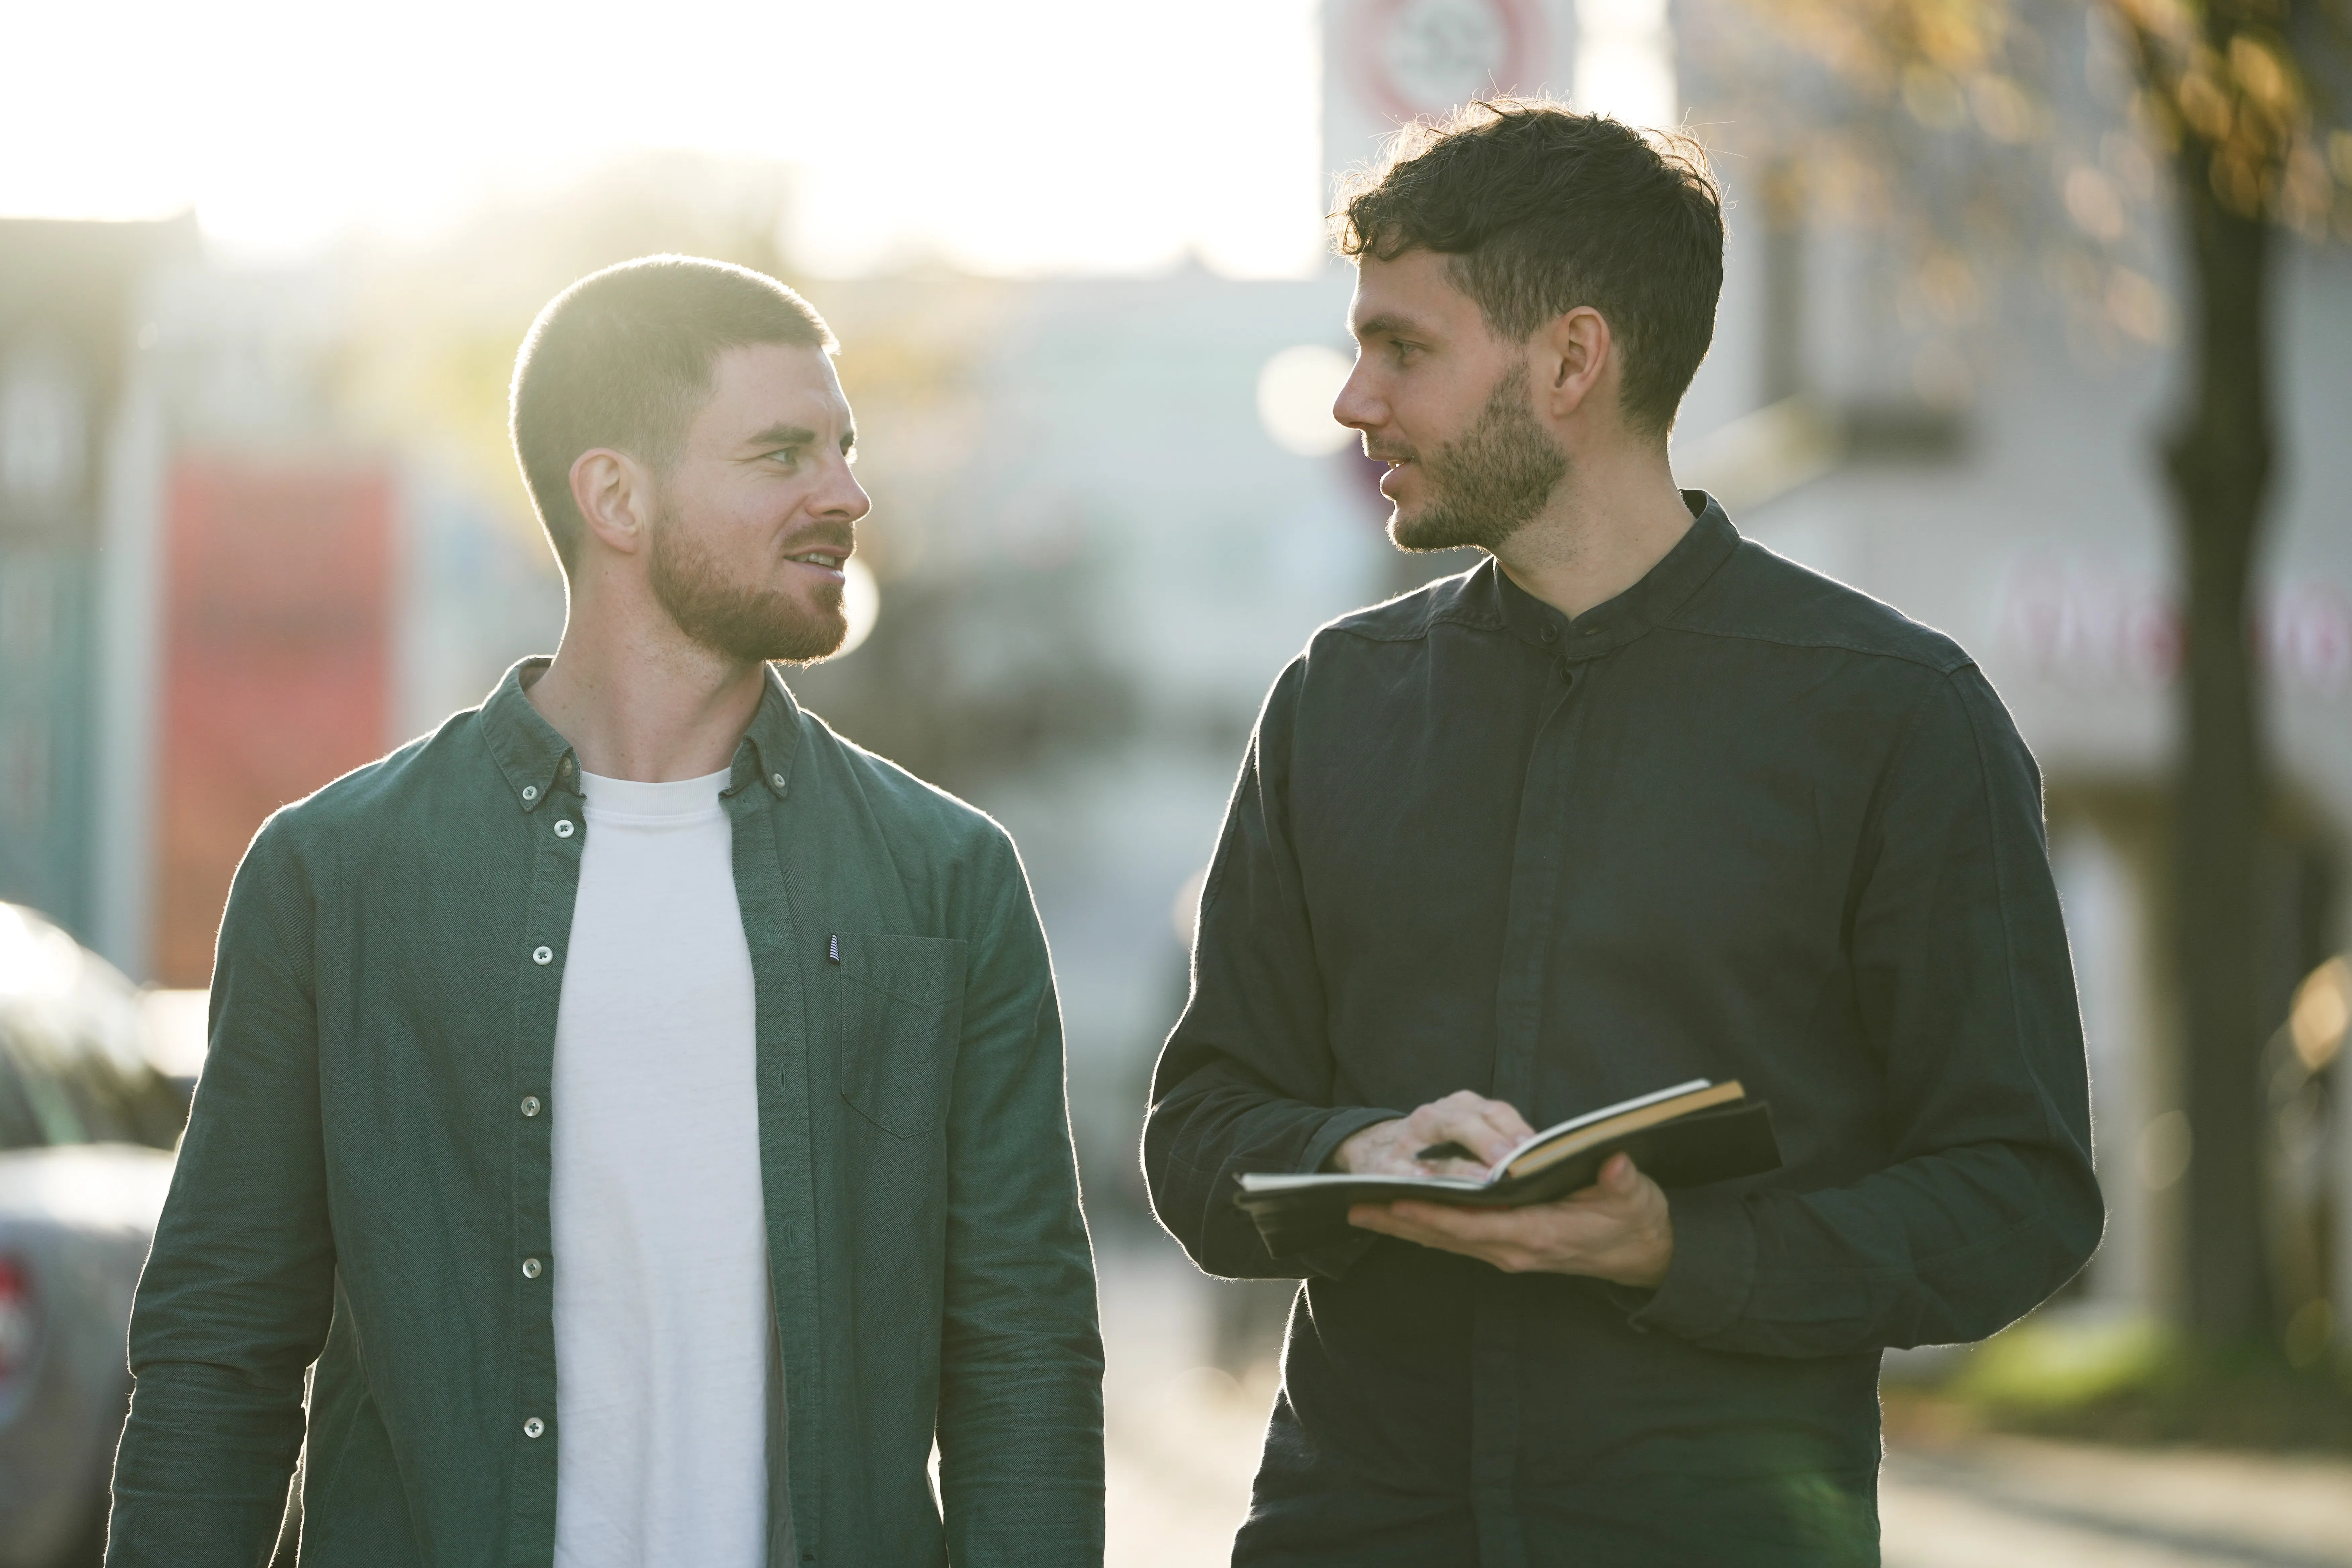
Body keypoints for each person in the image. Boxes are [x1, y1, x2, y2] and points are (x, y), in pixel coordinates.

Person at [1142, 103, 2101, 1566]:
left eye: (1403, 348)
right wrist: (1364, 1151)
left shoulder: (1898, 717)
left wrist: (1685, 1253)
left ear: (1571, 360)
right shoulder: (1334, 705)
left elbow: (2016, 1194)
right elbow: (1199, 1131)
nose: (1354, 400)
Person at [108, 256, 1104, 1567]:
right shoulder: (336, 874)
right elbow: (218, 1348)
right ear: (616, 496)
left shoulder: (942, 881)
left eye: (846, 448)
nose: (847, 493)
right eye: (783, 451)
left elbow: (1023, 1349)